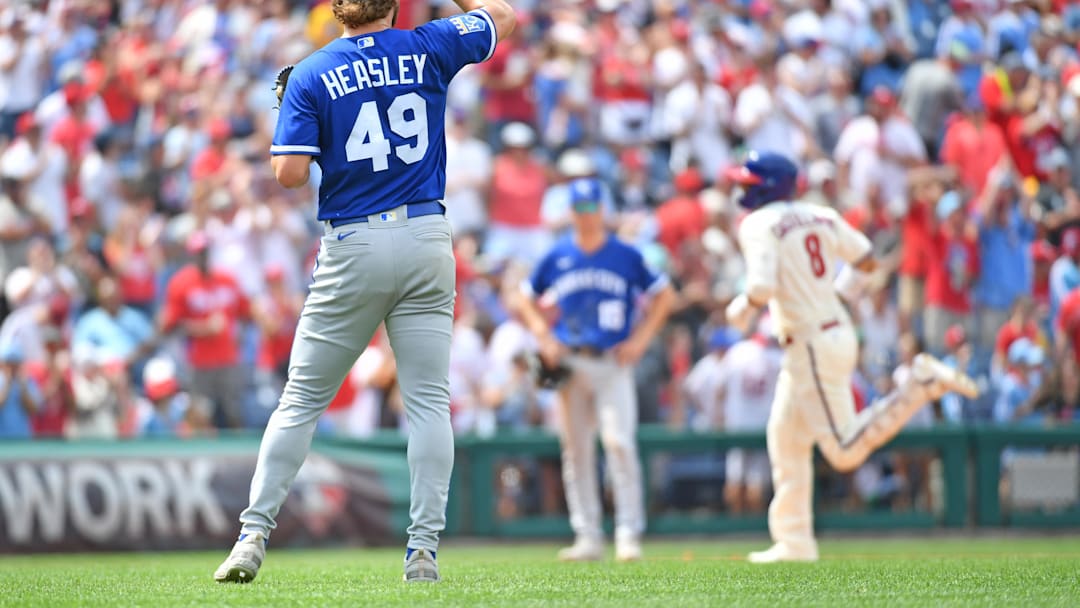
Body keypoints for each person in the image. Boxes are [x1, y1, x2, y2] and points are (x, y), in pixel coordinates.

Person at [213, 0, 516, 585]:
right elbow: (501, 15)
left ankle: (253, 536)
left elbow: (290, 173)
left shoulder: (311, 71)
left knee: (301, 399)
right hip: (427, 232)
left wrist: (295, 115)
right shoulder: (429, 43)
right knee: (428, 401)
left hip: (354, 241)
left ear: (336, 10)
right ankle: (423, 550)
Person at [723, 151, 979, 563]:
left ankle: (918, 386)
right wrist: (840, 295)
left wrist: (741, 307)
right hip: (832, 331)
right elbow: (867, 259)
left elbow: (760, 285)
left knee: (844, 450)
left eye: (749, 183)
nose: (742, 189)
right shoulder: (819, 214)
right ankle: (794, 541)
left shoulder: (758, 222)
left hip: (809, 342)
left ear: (768, 186)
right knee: (785, 437)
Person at [515, 177, 676, 563]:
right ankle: (587, 535)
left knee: (619, 442)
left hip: (611, 361)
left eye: (592, 208)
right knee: (577, 450)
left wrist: (640, 340)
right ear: (571, 212)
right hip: (571, 361)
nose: (587, 216)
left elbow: (665, 296)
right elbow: (523, 296)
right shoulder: (558, 255)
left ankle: (627, 533)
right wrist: (542, 334)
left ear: (602, 210)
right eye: (581, 209)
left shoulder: (625, 254)